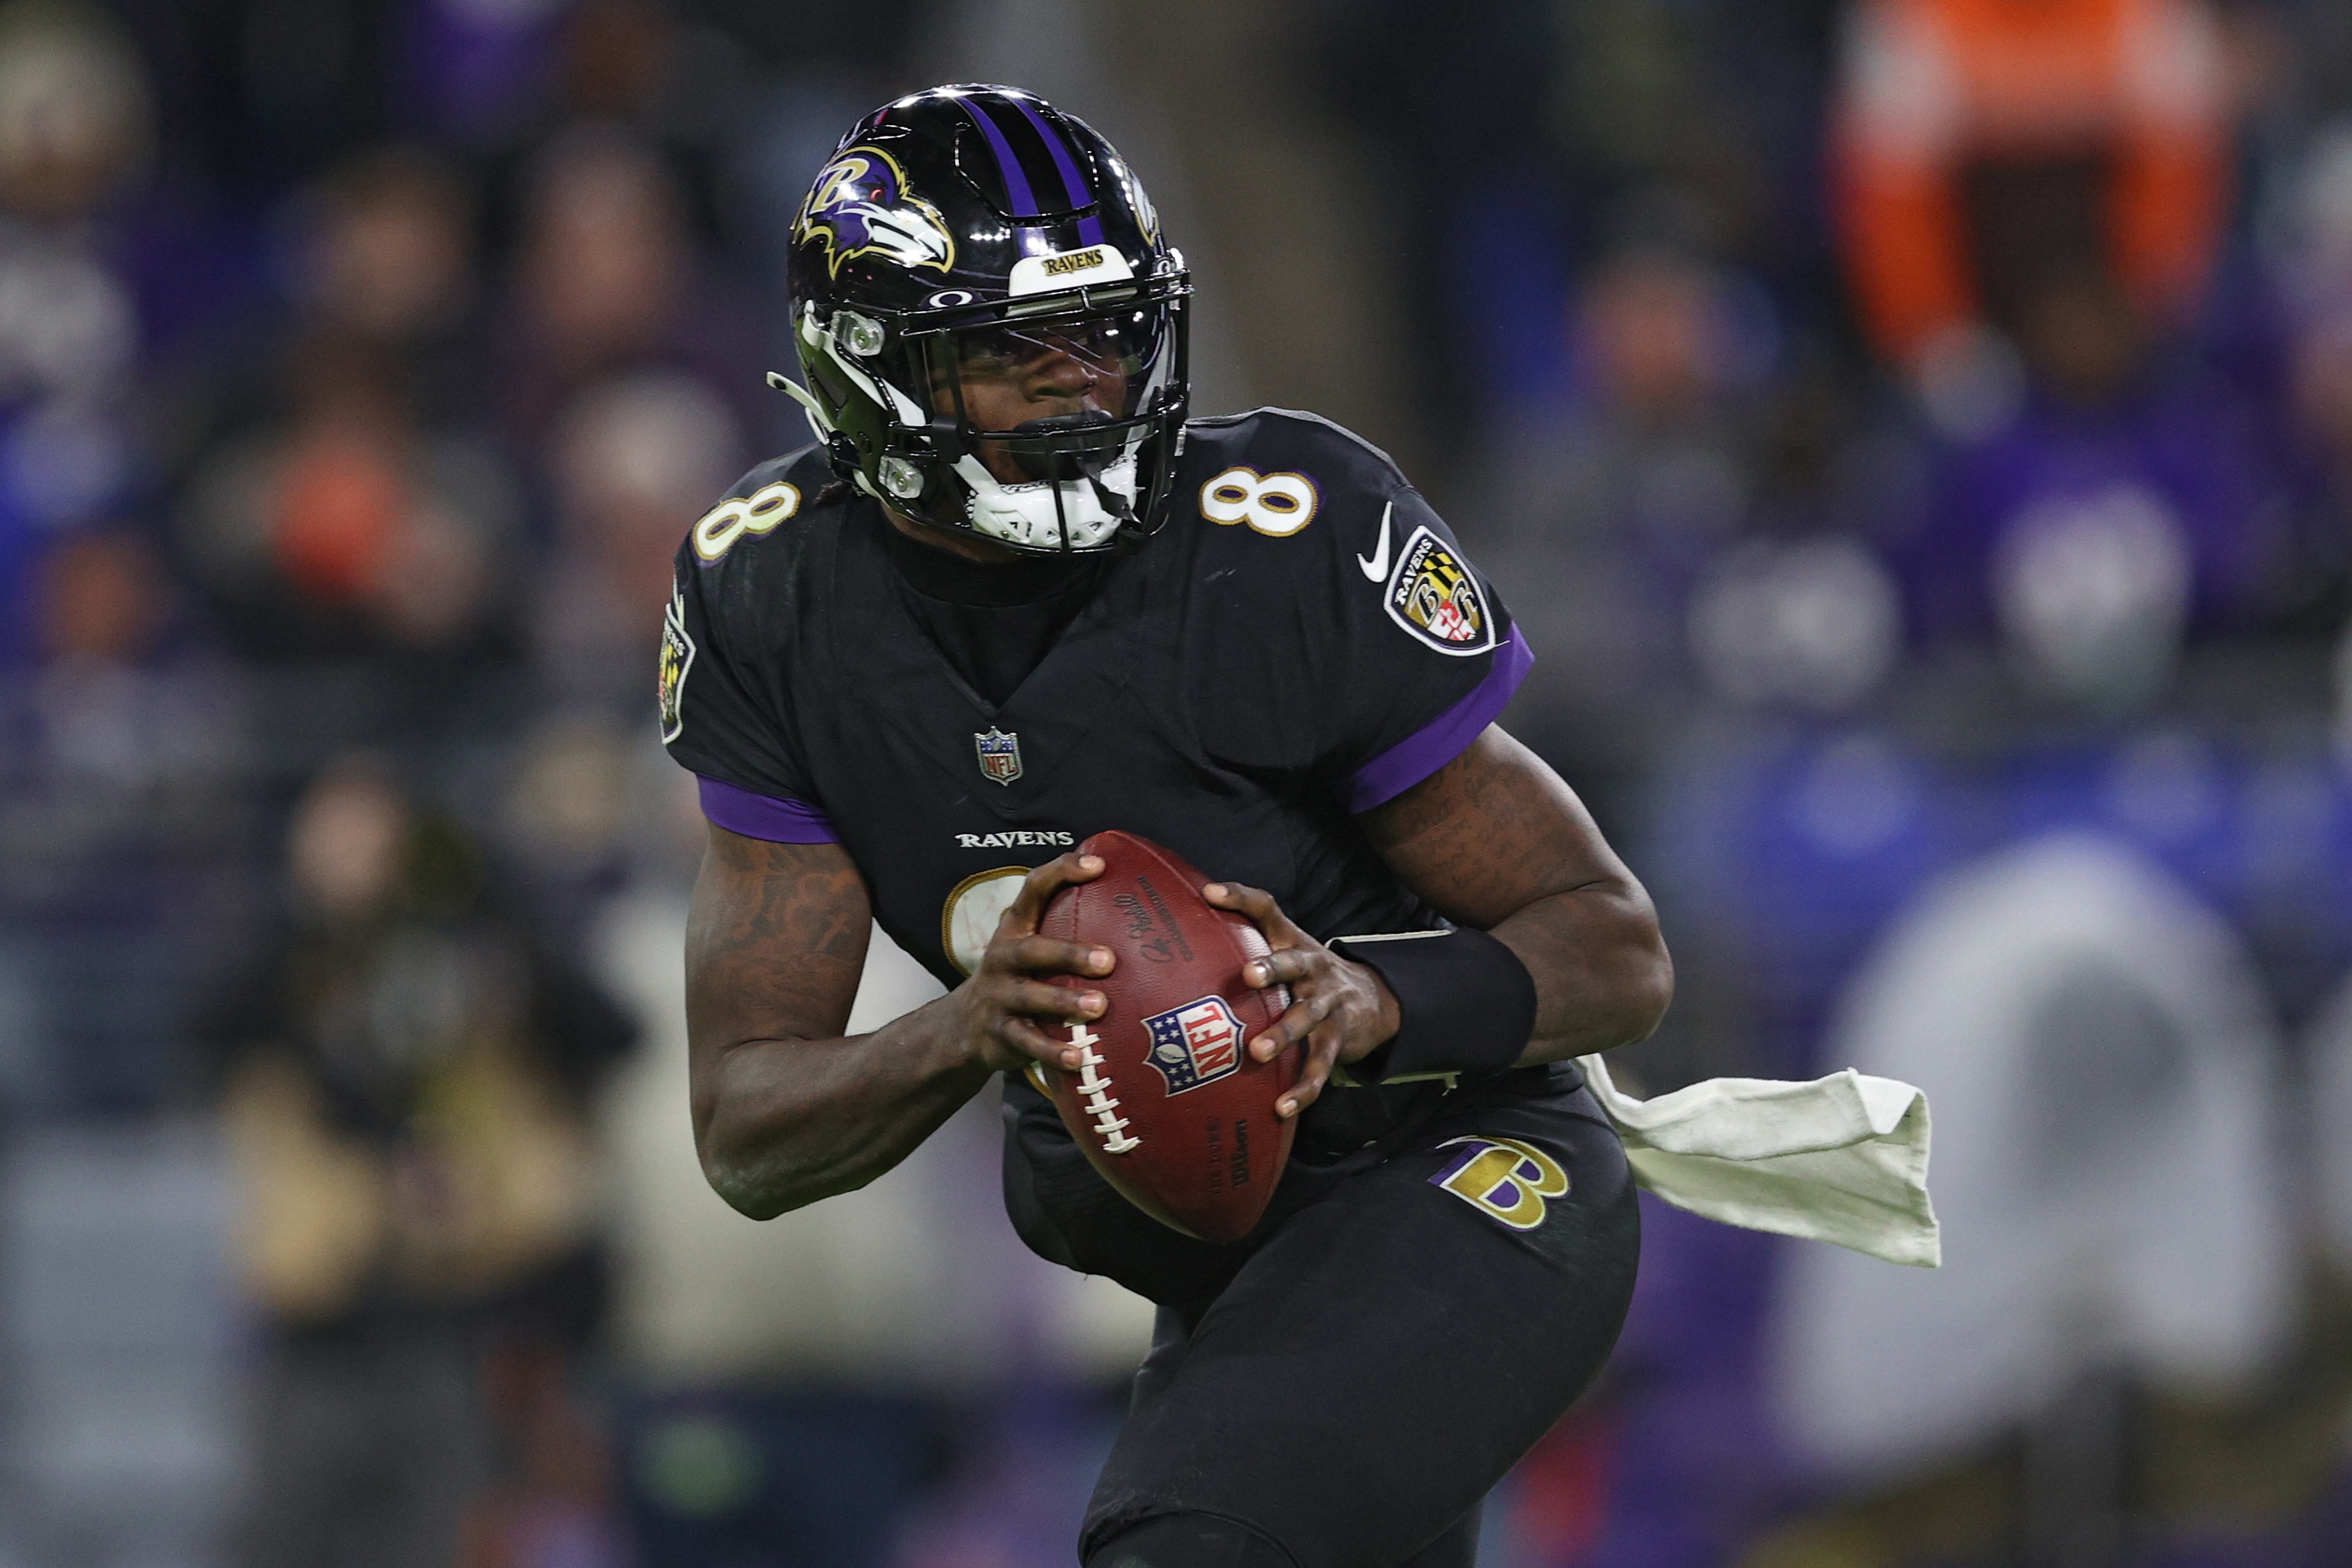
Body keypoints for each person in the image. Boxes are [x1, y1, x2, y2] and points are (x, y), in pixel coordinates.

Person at [660, 85, 1673, 1568]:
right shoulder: (772, 597)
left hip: (1457, 1166)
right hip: (1231, 1259)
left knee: (1184, 1544)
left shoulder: (1275, 535)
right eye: (1020, 347)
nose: (1088, 381)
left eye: (1114, 330)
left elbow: (1616, 951)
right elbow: (747, 1132)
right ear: (873, 367)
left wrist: (1371, 995)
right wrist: (967, 1031)